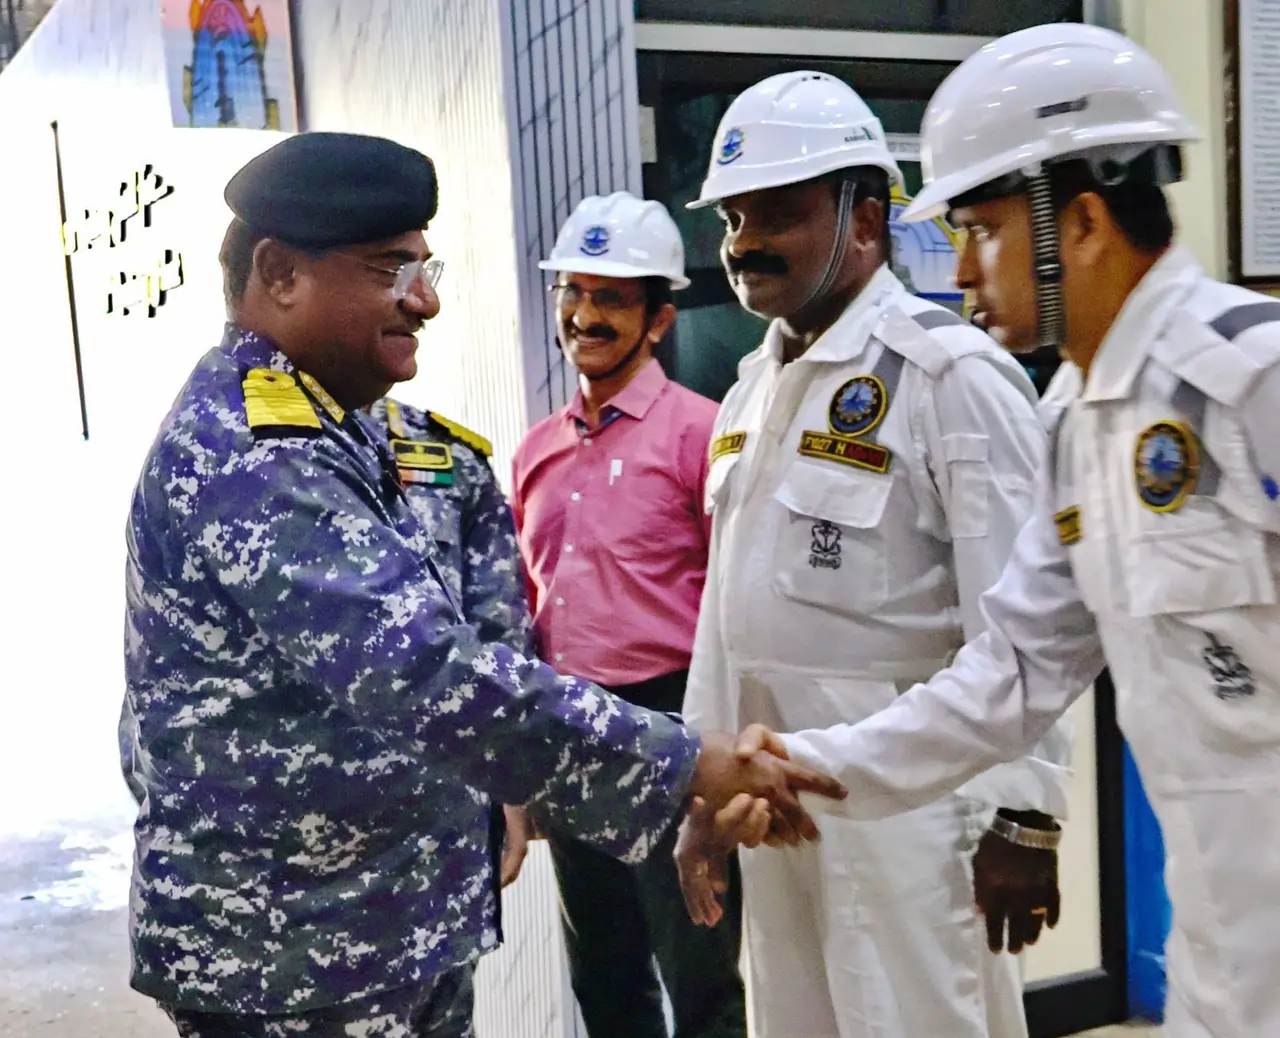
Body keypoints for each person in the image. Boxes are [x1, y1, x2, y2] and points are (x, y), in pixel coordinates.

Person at [118, 131, 846, 1038]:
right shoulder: (253, 453)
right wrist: (686, 762)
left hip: (384, 923)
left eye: (425, 269)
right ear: (280, 273)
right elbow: (421, 668)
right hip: (287, 953)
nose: (424, 300)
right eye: (390, 269)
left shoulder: (351, 432)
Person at [684, 24, 1280, 1038]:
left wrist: (1019, 816)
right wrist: (793, 765)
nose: (958, 271)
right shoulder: (1079, 427)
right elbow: (1005, 677)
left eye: (981, 232)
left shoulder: (1250, 376)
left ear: (1080, 221)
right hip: (1221, 949)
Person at [677, 71, 1076, 1038]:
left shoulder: (951, 375)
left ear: (865, 218)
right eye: (731, 218)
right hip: (774, 803)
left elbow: (1022, 625)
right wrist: (701, 792)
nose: (743, 242)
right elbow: (725, 623)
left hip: (915, 816)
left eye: (776, 213)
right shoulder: (750, 391)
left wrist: (1026, 813)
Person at [510, 192, 746, 1038]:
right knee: (605, 986)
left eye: (611, 298)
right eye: (573, 293)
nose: (585, 316)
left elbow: (736, 606)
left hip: (672, 724)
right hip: (572, 728)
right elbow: (528, 611)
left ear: (658, 319)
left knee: (702, 980)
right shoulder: (535, 452)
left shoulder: (702, 436)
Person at [367, 394, 535, 889]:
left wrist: (510, 779)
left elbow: (500, 636)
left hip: (440, 806)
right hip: (281, 816)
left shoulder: (449, 455)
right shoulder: (237, 438)